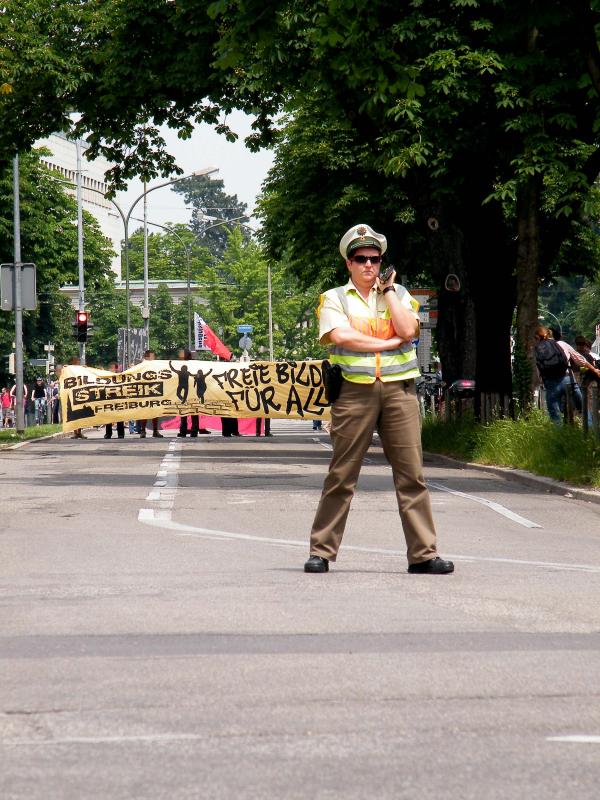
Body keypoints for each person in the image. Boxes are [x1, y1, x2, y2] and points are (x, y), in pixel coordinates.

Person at [304, 223, 454, 575]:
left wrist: (387, 293)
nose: (369, 265)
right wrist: (388, 344)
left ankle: (423, 554)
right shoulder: (334, 298)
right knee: (342, 475)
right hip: (354, 391)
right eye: (361, 259)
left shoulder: (399, 294)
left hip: (399, 390)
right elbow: (342, 336)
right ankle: (321, 551)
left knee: (412, 475)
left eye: (374, 259)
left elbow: (408, 330)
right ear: (349, 263)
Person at [534, 326, 600, 425]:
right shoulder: (562, 344)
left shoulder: (539, 348)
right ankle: (590, 430)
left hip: (551, 383)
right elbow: (580, 359)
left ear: (537, 337)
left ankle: (560, 436)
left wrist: (542, 382)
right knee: (582, 407)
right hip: (567, 378)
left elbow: (538, 368)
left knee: (555, 413)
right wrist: (594, 369)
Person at [139, 350, 164, 438]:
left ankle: (155, 431)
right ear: (147, 357)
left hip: (155, 390)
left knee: (155, 412)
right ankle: (143, 431)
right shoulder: (140, 367)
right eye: (152, 356)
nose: (154, 358)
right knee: (144, 412)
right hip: (144, 391)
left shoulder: (156, 366)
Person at [104, 362, 125, 439]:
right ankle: (108, 433)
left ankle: (121, 434)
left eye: (113, 368)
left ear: (116, 368)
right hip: (109, 399)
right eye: (110, 367)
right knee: (108, 417)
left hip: (118, 399)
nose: (111, 369)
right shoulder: (105, 377)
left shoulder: (120, 377)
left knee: (119, 417)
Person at [68, 356, 86, 439]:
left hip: (80, 394)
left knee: (81, 414)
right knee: (73, 414)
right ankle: (75, 432)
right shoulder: (68, 370)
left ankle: (79, 432)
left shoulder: (81, 369)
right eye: (76, 361)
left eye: (78, 361)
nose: (77, 362)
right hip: (72, 394)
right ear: (72, 362)